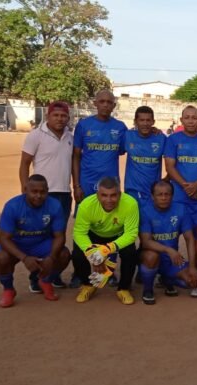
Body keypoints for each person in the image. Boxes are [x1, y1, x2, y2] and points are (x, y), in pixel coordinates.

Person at [71, 90, 127, 288]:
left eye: (109, 102)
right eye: (101, 101)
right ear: (95, 103)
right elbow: (76, 156)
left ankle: (107, 271)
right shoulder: (84, 125)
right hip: (86, 185)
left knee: (112, 229)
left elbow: (127, 147)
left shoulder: (120, 128)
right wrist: (76, 185)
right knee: (83, 230)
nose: (105, 105)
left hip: (111, 188)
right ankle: (80, 272)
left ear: (113, 105)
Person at [19, 101, 73, 290]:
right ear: (48, 116)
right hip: (42, 196)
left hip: (64, 194)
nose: (60, 119)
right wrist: (25, 189)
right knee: (42, 237)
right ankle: (36, 279)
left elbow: (72, 164)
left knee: (59, 237)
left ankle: (51, 276)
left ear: (68, 117)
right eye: (56, 115)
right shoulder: (36, 135)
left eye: (63, 116)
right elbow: (25, 163)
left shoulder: (70, 136)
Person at [0, 175, 70, 307]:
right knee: (2, 257)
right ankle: (8, 290)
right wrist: (24, 258)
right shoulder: (12, 206)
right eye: (34, 192)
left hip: (41, 243)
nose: (38, 196)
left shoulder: (54, 205)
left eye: (42, 192)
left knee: (64, 255)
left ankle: (45, 280)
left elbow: (60, 236)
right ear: (25, 190)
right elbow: (4, 239)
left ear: (47, 190)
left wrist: (51, 257)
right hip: (17, 244)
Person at [164, 105, 197, 284]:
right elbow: (169, 166)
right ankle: (165, 272)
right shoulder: (173, 140)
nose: (191, 120)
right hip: (178, 198)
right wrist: (187, 187)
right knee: (172, 235)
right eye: (187, 117)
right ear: (181, 120)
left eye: (194, 117)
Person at [71, 176, 139, 305]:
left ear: (120, 194)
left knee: (130, 253)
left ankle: (123, 288)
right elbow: (79, 233)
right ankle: (88, 285)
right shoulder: (86, 205)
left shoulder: (130, 203)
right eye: (104, 195)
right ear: (97, 195)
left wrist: (106, 249)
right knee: (77, 254)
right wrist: (94, 255)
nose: (109, 200)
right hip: (94, 234)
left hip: (118, 235)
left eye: (113, 195)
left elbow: (131, 233)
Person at [138, 180, 197, 304]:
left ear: (172, 196)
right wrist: (168, 250)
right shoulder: (145, 211)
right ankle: (148, 290)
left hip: (172, 260)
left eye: (167, 194)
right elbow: (146, 242)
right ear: (152, 196)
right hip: (152, 256)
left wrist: (192, 267)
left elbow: (189, 239)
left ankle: (166, 280)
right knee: (152, 256)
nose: (164, 198)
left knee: (193, 281)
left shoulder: (181, 209)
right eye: (160, 194)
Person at [123, 106, 165, 207]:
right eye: (141, 120)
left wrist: (166, 180)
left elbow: (173, 161)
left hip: (153, 193)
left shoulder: (161, 138)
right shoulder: (127, 136)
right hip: (132, 191)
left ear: (153, 122)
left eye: (148, 120)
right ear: (135, 121)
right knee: (133, 222)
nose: (145, 123)